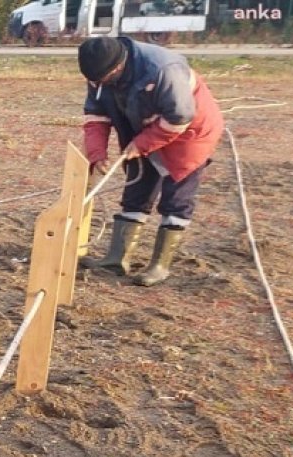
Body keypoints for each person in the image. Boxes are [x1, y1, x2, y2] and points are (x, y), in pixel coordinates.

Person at [77, 36, 224, 286]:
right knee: (137, 190)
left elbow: (179, 118)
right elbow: (96, 116)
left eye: (102, 79)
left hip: (188, 134)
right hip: (141, 128)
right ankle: (117, 259)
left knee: (176, 198)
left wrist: (143, 143)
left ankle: (159, 266)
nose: (98, 84)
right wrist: (96, 152)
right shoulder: (98, 73)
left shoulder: (163, 70)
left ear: (117, 68)